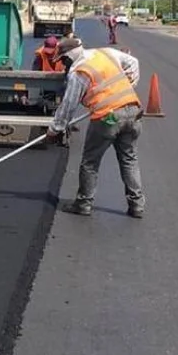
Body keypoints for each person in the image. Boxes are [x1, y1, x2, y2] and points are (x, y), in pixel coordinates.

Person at [46, 36, 146, 218]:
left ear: (70, 54)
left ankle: (84, 204)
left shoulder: (79, 71)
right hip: (133, 110)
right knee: (129, 160)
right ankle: (137, 205)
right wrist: (130, 85)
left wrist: (55, 129)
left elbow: (69, 105)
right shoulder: (105, 53)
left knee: (90, 162)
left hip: (107, 118)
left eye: (63, 59)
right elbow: (133, 62)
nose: (63, 64)